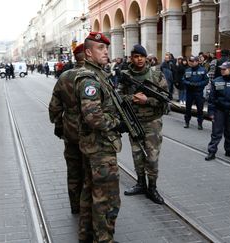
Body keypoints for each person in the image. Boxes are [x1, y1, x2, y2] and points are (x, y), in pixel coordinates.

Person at [74, 32, 124, 243]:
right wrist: (116, 123)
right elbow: (93, 116)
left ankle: (86, 235)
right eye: (100, 49)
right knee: (107, 199)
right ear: (88, 52)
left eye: (106, 48)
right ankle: (104, 239)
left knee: (90, 192)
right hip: (100, 147)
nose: (105, 52)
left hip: (93, 146)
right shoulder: (89, 79)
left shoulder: (99, 75)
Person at [118, 44, 168, 205]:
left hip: (152, 122)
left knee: (152, 158)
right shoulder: (125, 75)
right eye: (135, 56)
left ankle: (152, 187)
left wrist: (147, 100)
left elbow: (165, 103)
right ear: (131, 58)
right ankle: (141, 183)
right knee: (137, 155)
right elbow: (118, 98)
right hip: (134, 121)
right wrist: (131, 98)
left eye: (141, 56)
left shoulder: (156, 75)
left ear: (146, 58)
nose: (139, 59)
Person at [48, 44, 85, 215]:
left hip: (70, 131)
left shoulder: (64, 77)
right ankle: (88, 206)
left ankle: (75, 206)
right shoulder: (96, 75)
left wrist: (58, 124)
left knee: (73, 170)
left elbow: (55, 106)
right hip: (91, 133)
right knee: (90, 170)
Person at [182, 55, 209, 130]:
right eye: (190, 61)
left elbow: (206, 80)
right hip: (189, 92)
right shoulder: (187, 70)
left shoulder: (203, 70)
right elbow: (183, 79)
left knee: (200, 109)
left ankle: (200, 123)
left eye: (192, 61)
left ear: (197, 62)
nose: (191, 63)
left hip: (198, 92)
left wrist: (198, 84)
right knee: (188, 108)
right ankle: (187, 122)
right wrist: (189, 83)